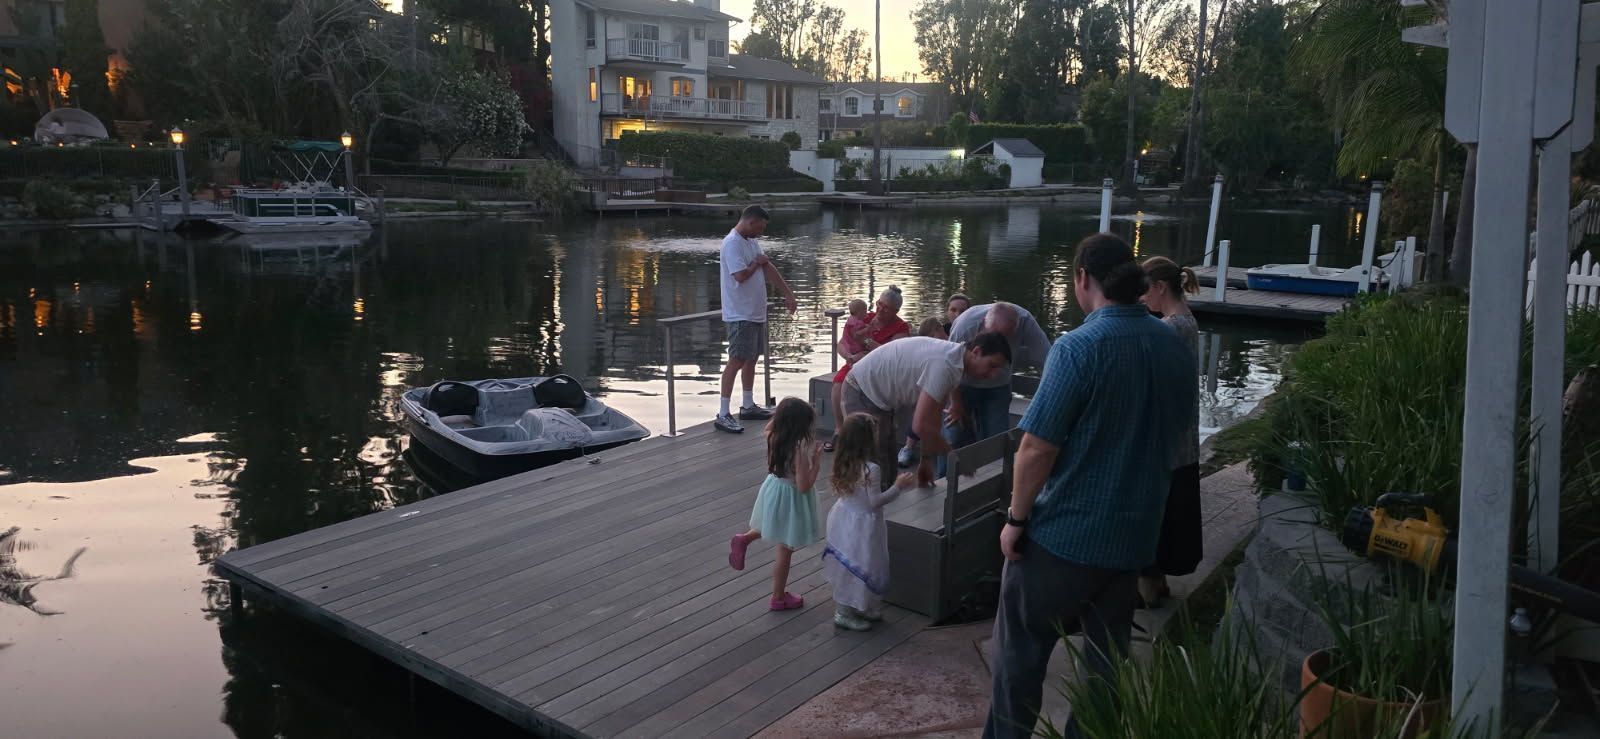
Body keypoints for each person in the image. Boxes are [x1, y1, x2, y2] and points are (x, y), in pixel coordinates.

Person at [983, 234, 1196, 739]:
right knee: (1106, 664)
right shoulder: (1175, 345)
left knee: (1020, 654)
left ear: (1082, 278)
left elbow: (1036, 448)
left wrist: (1015, 520)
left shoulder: (1079, 347)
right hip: (1135, 539)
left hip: (1065, 538)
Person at [842, 333, 1012, 489]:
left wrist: (926, 460)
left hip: (879, 398)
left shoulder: (954, 361)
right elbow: (921, 425)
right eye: (992, 365)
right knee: (872, 471)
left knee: (887, 470)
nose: (993, 375)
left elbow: (933, 418)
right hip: (861, 390)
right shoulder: (945, 366)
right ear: (976, 352)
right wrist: (956, 459)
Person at [1136, 256, 1203, 607]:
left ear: (1160, 287)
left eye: (1145, 290)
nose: (1141, 298)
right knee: (1171, 511)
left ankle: (1148, 589)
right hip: (1183, 435)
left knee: (1154, 515)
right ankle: (1157, 583)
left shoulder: (1169, 328)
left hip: (1164, 440)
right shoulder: (1186, 321)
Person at [823, 413, 920, 631]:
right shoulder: (871, 469)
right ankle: (843, 612)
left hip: (843, 519)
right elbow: (875, 502)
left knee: (850, 563)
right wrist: (898, 486)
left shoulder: (842, 461)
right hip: (863, 525)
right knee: (864, 562)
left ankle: (859, 605)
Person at [727, 397, 824, 611]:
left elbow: (770, 426)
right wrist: (816, 465)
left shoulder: (773, 436)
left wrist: (780, 413)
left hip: (773, 487)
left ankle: (745, 539)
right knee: (785, 549)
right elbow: (803, 486)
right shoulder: (799, 449)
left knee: (772, 523)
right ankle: (778, 597)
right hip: (791, 496)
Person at [715, 205, 798, 434]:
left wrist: (788, 294)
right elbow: (740, 275)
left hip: (756, 312)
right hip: (740, 313)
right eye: (760, 227)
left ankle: (748, 404)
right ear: (750, 222)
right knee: (736, 360)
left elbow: (767, 266)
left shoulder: (751, 242)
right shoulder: (732, 243)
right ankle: (723, 413)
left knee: (752, 358)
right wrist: (756, 263)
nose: (761, 232)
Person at [945, 302, 1053, 452]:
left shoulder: (1026, 322)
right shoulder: (965, 325)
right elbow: (949, 365)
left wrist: (1048, 402)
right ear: (984, 322)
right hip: (962, 384)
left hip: (998, 387)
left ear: (1016, 328)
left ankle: (988, 466)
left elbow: (1048, 361)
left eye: (1004, 338)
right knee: (953, 435)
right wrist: (956, 404)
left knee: (996, 440)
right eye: (993, 336)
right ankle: (946, 468)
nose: (998, 345)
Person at [826, 286, 912, 452]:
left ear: (896, 311)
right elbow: (842, 343)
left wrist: (867, 342)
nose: (880, 309)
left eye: (886, 308)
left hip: (881, 370)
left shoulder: (901, 328)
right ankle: (840, 429)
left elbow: (892, 355)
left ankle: (866, 439)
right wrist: (849, 357)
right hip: (856, 362)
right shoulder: (864, 318)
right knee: (838, 383)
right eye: (879, 304)